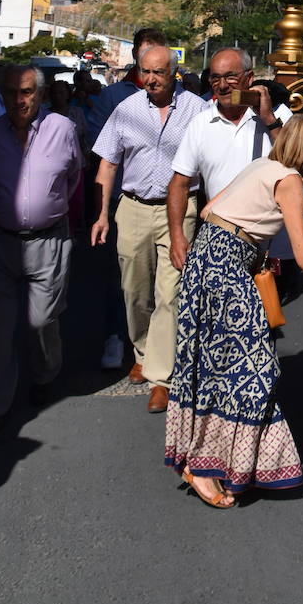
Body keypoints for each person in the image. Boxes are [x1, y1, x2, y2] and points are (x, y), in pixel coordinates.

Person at [164, 115, 303, 507]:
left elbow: (208, 211)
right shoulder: (290, 182)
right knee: (255, 369)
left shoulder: (263, 166)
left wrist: (252, 243)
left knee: (213, 364)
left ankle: (214, 462)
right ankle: (208, 466)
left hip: (206, 260)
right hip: (227, 269)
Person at [91, 44, 205, 412]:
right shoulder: (126, 110)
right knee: (135, 291)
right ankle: (141, 351)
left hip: (180, 210)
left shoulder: (198, 111)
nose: (152, 79)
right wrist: (102, 214)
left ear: (175, 72)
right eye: (146, 72)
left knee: (170, 293)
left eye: (159, 72)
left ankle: (161, 375)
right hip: (135, 208)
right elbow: (108, 164)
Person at [0, 64, 81, 432]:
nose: (19, 100)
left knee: (41, 320)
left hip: (48, 239)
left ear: (41, 94)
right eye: (11, 93)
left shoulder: (62, 129)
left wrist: (44, 213)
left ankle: (44, 375)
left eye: (26, 93)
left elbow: (72, 177)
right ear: (1, 95)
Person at [166, 48, 290, 271]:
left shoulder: (275, 119)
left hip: (271, 247)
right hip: (222, 245)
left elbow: (294, 163)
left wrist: (269, 120)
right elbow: (179, 183)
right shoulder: (201, 123)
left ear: (249, 78)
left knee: (268, 305)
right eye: (215, 78)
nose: (222, 86)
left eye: (230, 76)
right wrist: (177, 237)